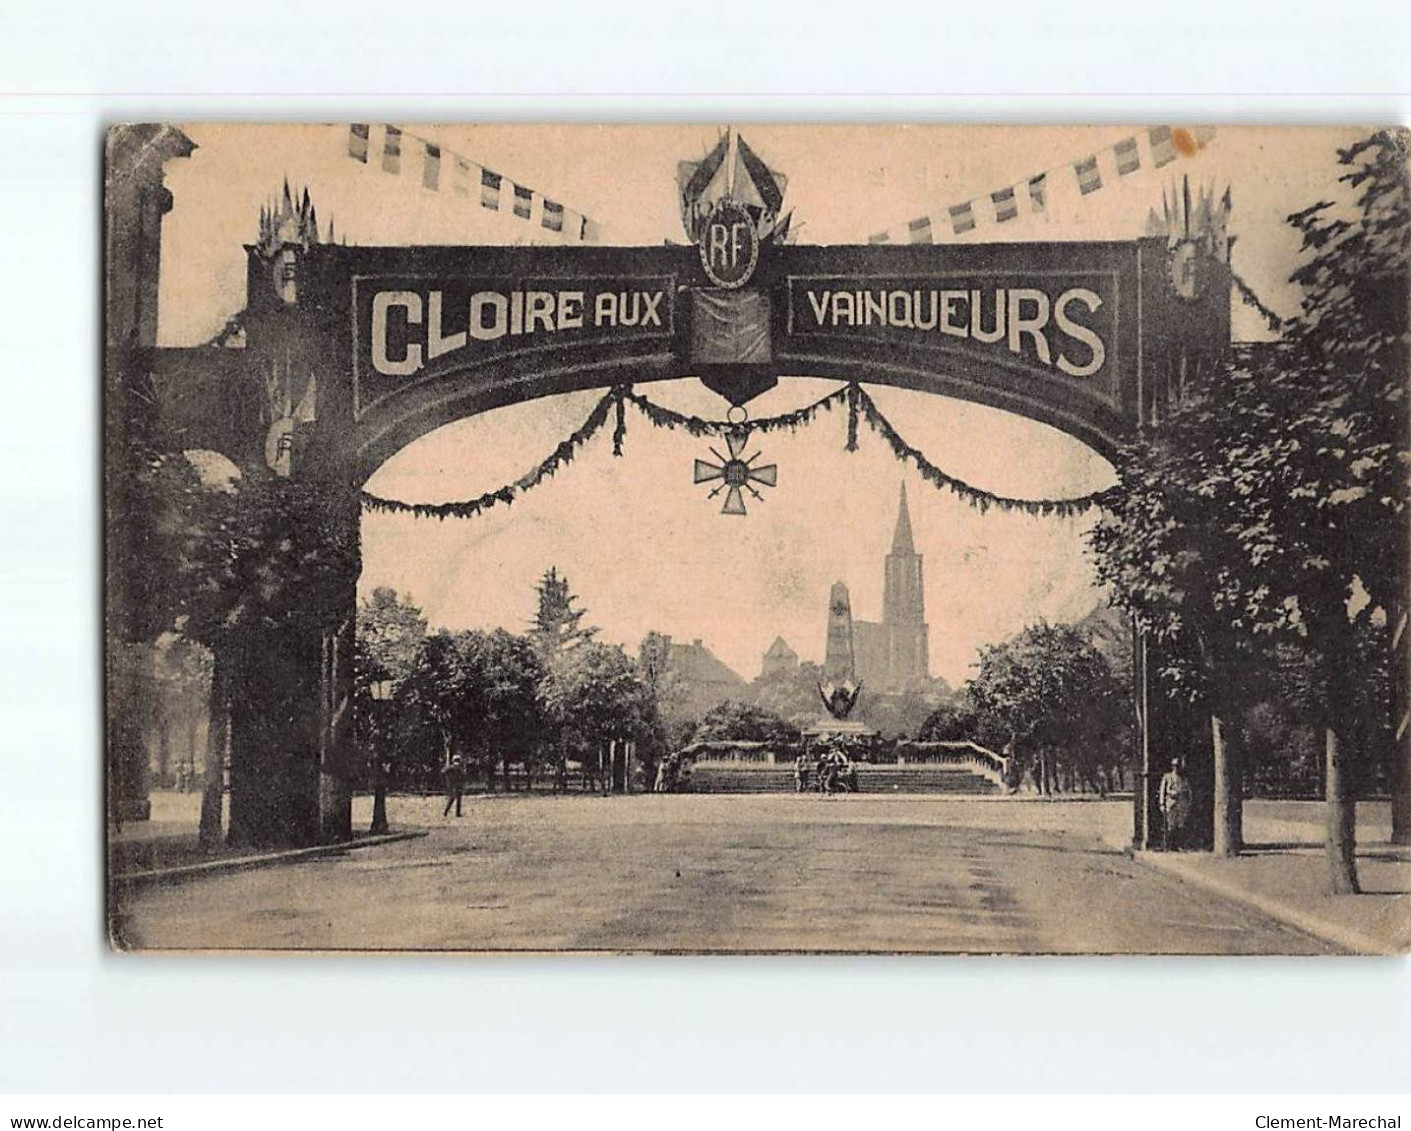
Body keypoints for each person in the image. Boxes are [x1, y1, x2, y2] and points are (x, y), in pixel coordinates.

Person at [1158, 758, 1192, 850]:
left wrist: (1188, 803)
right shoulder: (1167, 777)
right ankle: (1168, 845)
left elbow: (1188, 792)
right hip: (1170, 804)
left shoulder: (1184, 779)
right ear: (1172, 767)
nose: (1176, 768)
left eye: (1178, 766)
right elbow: (1162, 791)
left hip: (1181, 805)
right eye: (1175, 766)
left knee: (1180, 825)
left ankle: (1179, 845)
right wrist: (1161, 804)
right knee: (1170, 825)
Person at [442, 754, 466, 818]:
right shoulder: (460, 769)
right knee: (458, 799)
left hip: (451, 785)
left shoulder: (450, 768)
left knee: (452, 798)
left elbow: (443, 772)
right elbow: (463, 777)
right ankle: (457, 813)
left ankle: (446, 811)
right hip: (458, 785)